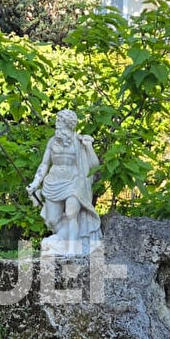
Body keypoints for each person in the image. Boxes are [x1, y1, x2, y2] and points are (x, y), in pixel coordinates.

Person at [27, 108, 101, 256]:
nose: (57, 124)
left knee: (71, 214)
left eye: (59, 121)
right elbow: (44, 164)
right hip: (53, 182)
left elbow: (94, 165)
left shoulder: (79, 142)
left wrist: (89, 146)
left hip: (74, 182)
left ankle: (72, 250)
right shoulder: (52, 141)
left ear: (68, 123)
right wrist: (35, 183)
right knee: (53, 221)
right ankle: (62, 241)